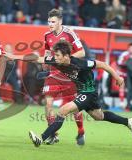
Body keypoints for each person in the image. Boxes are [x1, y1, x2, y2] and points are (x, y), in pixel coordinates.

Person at [5, 40, 132, 147]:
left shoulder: (81, 63)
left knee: (63, 110)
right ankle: (127, 121)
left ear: (66, 56)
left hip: (88, 92)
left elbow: (103, 64)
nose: (55, 58)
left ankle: (41, 138)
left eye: (57, 56)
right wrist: (14, 56)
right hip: (84, 92)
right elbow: (37, 58)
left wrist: (118, 77)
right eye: (54, 55)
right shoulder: (56, 60)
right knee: (98, 116)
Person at [41, 9, 86, 145]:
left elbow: (82, 52)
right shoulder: (47, 35)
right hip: (54, 73)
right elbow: (48, 51)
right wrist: (45, 60)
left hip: (68, 75)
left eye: (53, 21)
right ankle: (53, 134)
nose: (50, 24)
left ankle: (81, 130)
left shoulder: (69, 34)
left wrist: (66, 59)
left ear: (60, 22)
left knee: (74, 108)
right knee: (48, 104)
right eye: (49, 21)